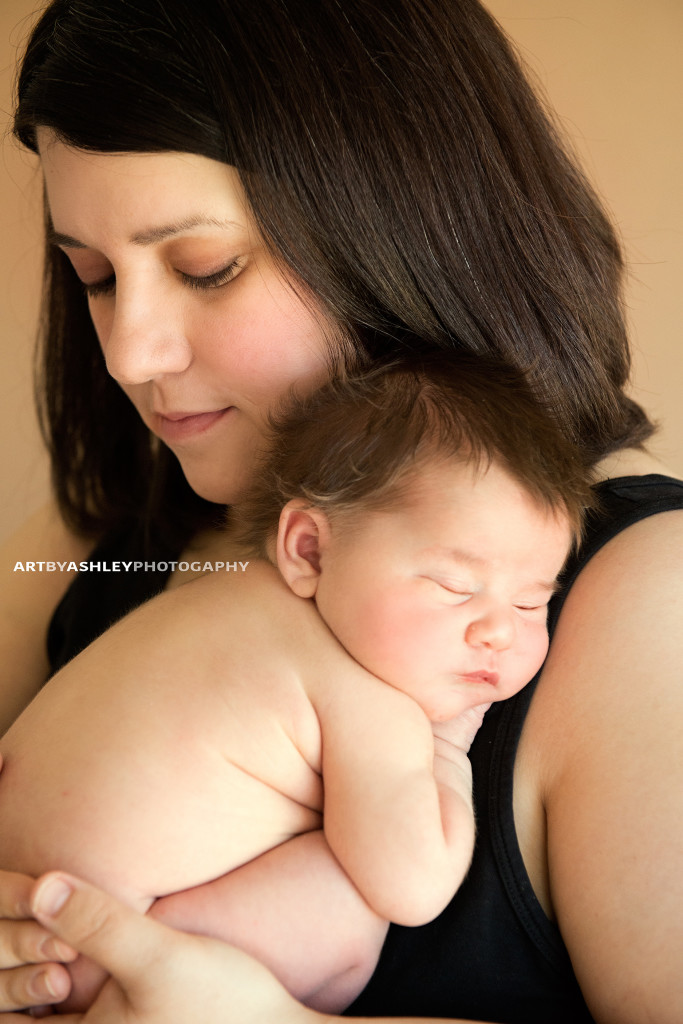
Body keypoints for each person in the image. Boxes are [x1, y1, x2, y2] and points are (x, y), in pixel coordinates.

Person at [1, 1, 682, 1022]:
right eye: (93, 276)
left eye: (204, 268)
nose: (129, 353)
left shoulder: (646, 600)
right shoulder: (94, 547)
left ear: (398, 226)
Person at [0, 355, 585, 1013]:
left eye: (533, 602)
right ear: (308, 549)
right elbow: (412, 889)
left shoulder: (206, 602)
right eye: (453, 587)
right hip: (116, 962)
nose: (497, 633)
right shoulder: (368, 702)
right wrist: (444, 753)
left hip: (21, 933)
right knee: (351, 900)